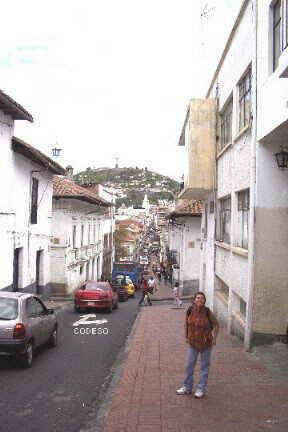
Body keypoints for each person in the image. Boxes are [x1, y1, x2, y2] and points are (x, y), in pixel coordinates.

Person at [176, 291, 219, 398]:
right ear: (194, 300)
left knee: (204, 367)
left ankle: (200, 389)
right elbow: (186, 324)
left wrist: (214, 338)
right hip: (193, 343)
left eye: (202, 298)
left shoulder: (207, 312)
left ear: (204, 301)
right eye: (198, 298)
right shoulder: (190, 310)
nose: (200, 300)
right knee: (189, 366)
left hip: (206, 343)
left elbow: (216, 324)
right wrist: (186, 336)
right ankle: (187, 387)